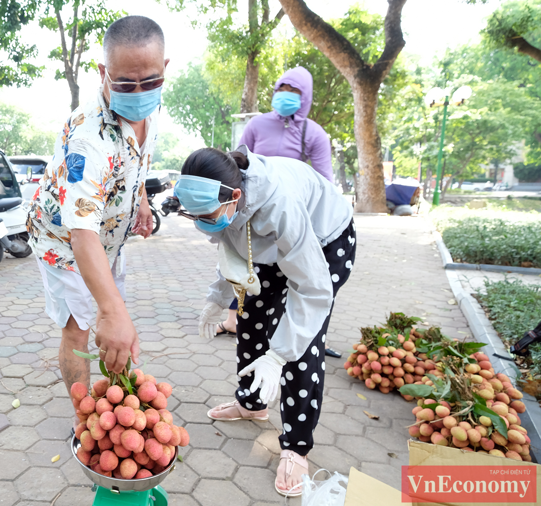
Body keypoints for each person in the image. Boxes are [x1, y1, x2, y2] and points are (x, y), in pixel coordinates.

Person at [173, 146, 355, 497]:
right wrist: (218, 297)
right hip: (270, 247)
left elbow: (312, 289)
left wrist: (278, 355)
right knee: (250, 316)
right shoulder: (221, 200)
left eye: (207, 216)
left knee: (300, 344)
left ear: (236, 196)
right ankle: (252, 404)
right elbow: (231, 248)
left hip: (323, 242)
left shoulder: (279, 204)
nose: (203, 224)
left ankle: (297, 445)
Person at [27, 15, 165, 388]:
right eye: (125, 83)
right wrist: (112, 309)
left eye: (150, 81)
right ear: (103, 71)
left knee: (110, 316)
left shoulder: (152, 111)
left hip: (107, 240)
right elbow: (81, 232)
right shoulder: (90, 139)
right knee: (81, 327)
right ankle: (82, 420)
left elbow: (137, 161)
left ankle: (117, 398)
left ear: (164, 68)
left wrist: (142, 202)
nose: (139, 94)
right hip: (65, 242)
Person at [212, 66, 342, 358]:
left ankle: (310, 337)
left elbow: (325, 181)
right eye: (281, 89)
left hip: (294, 214)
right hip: (253, 213)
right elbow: (237, 166)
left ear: (305, 97)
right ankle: (235, 322)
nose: (286, 96)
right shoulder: (258, 125)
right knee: (245, 268)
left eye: (294, 91)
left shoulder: (314, 133)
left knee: (305, 279)